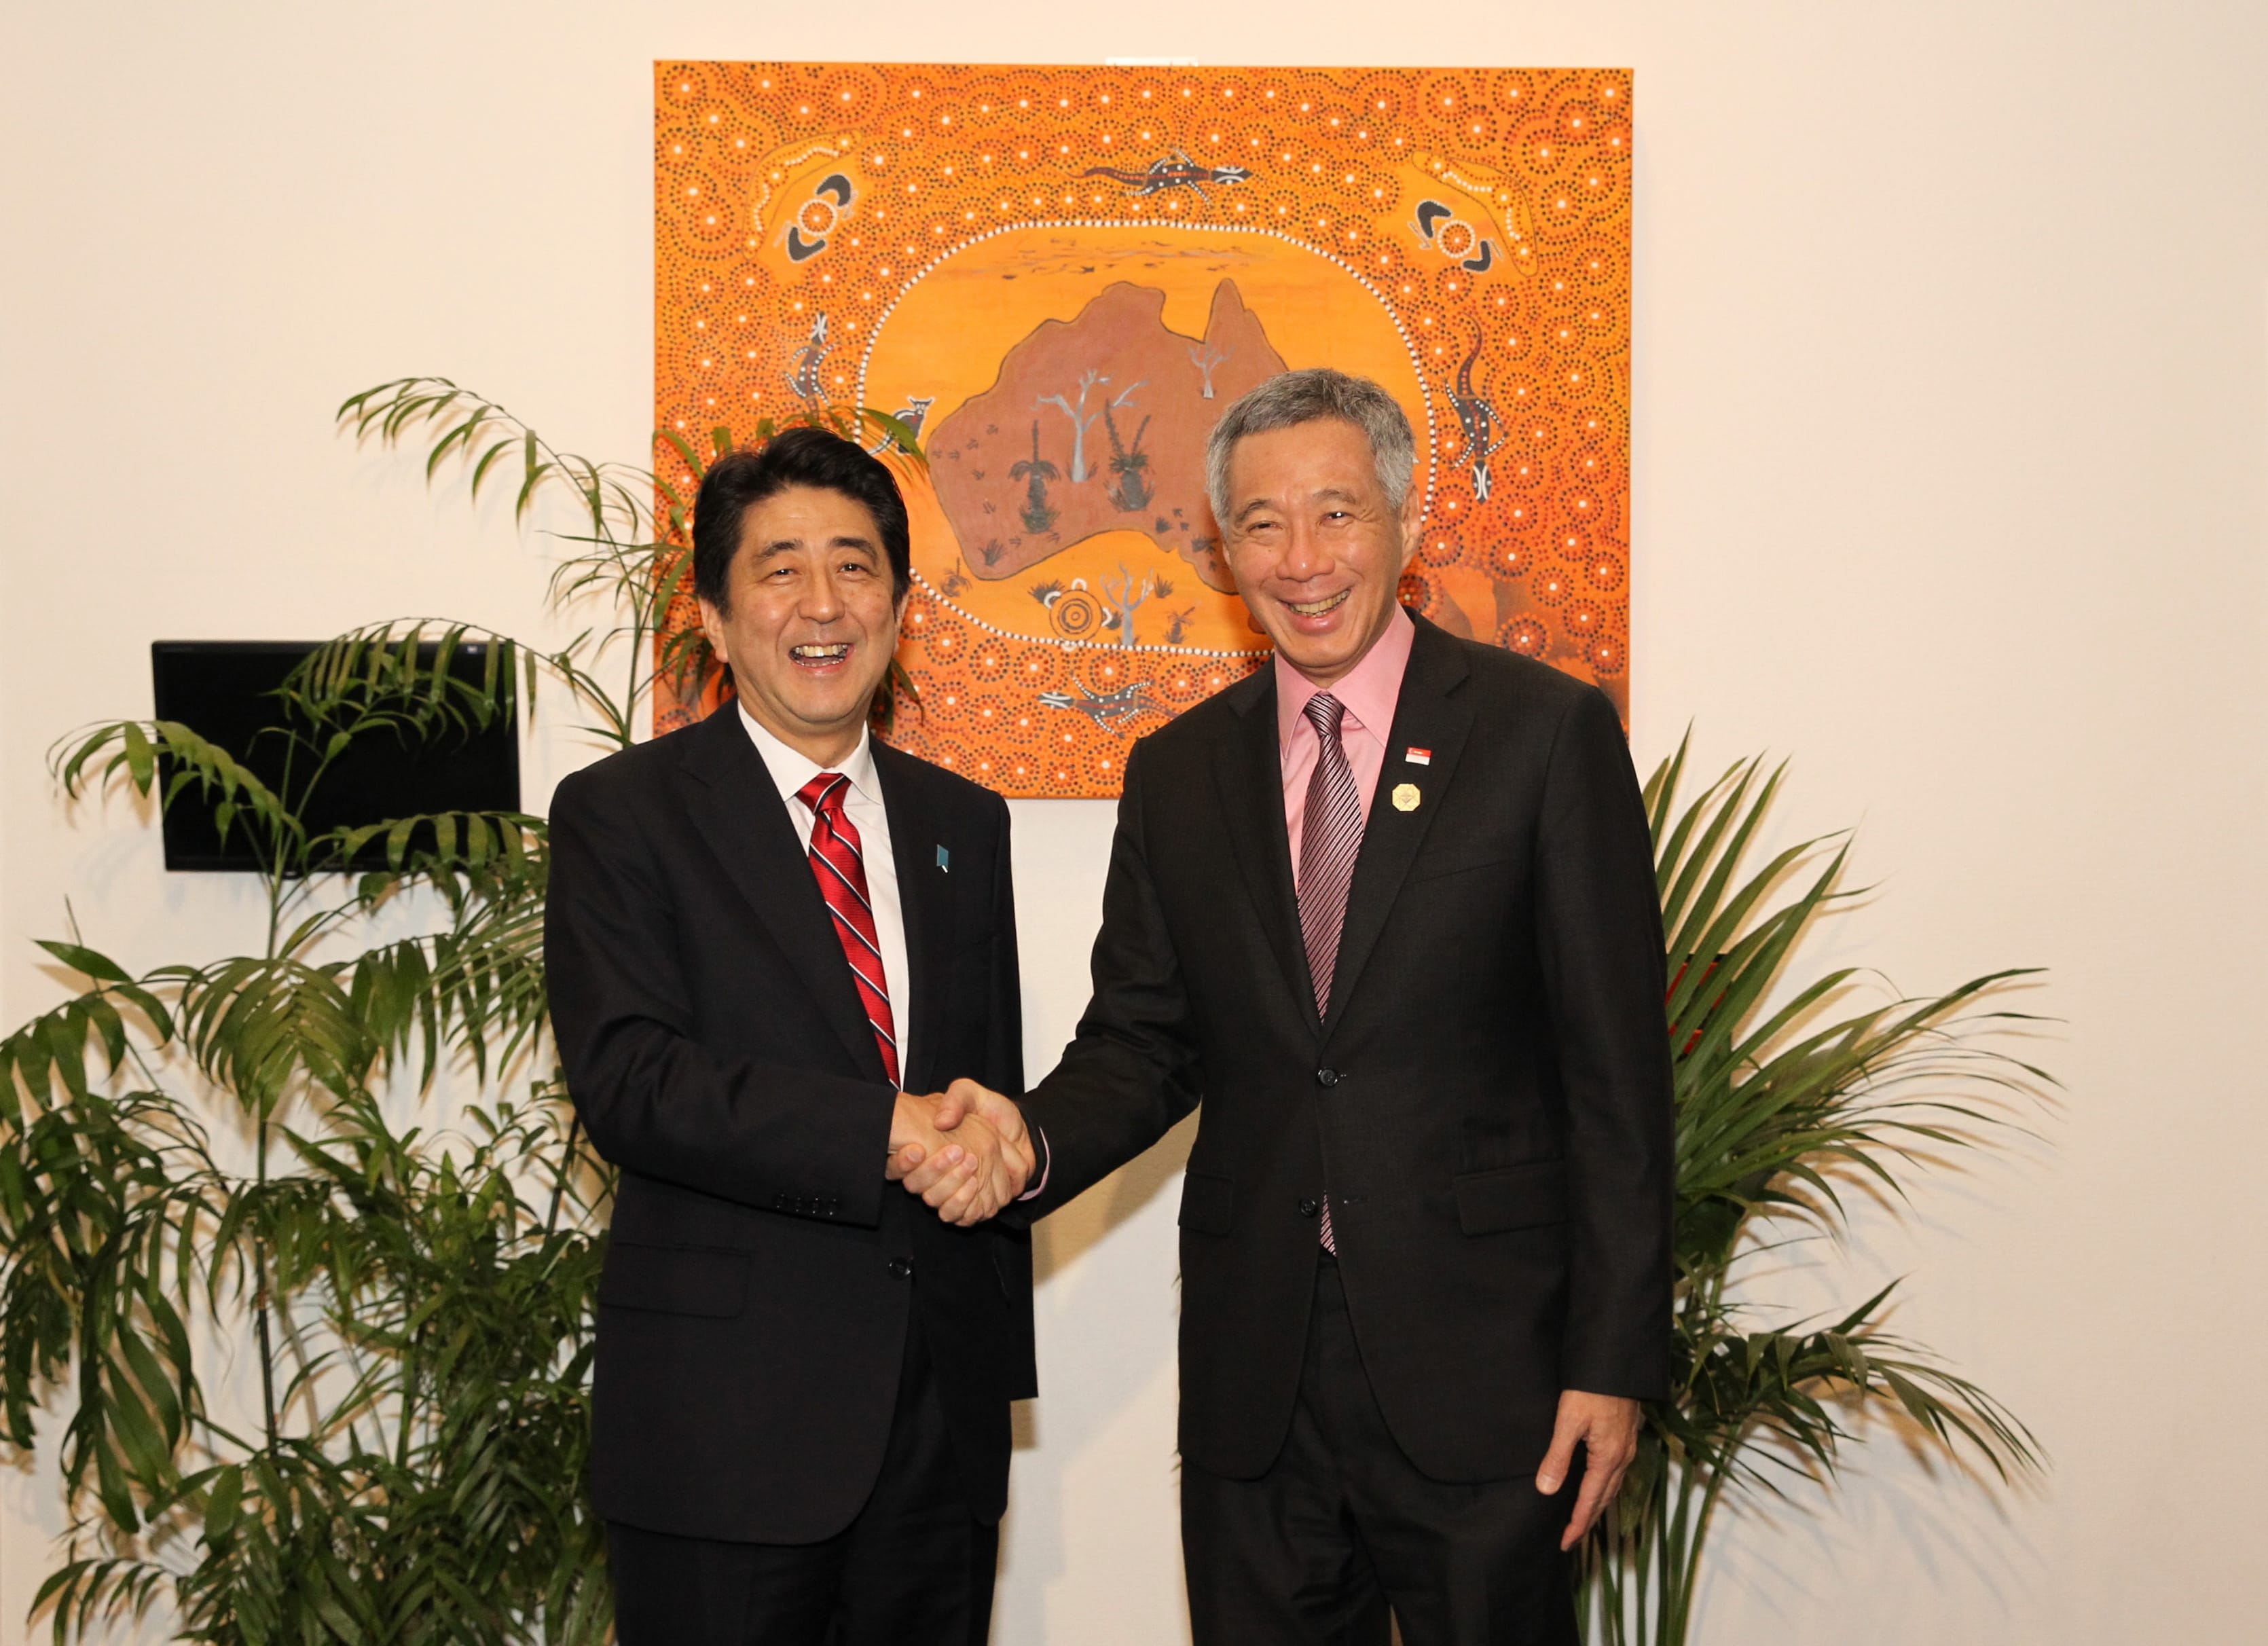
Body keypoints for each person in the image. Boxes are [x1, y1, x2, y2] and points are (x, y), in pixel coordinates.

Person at [904, 369, 1674, 1645]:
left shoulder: (1543, 737)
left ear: (1406, 524)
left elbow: (1617, 1082)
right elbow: (1143, 1042)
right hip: (1258, 1385)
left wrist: (1614, 1359)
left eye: (1336, 513)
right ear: (1222, 549)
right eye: (1261, 524)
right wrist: (1025, 1140)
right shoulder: (1178, 772)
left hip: (1489, 1377)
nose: (1301, 558)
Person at [546, 426, 1037, 1646]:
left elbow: (985, 1089)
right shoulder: (625, 815)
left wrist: (995, 1373)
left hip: (938, 1437)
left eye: (855, 566)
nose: (822, 604)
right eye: (779, 570)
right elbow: (631, 1080)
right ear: (713, 615)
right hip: (727, 1435)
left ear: (900, 602)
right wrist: (878, 1130)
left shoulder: (962, 824)